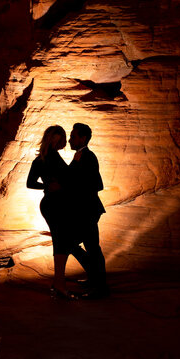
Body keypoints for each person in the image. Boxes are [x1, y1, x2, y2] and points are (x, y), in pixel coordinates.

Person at [26, 125, 77, 299]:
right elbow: (30, 183)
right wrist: (47, 185)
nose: (63, 141)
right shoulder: (42, 160)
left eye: (63, 138)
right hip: (53, 203)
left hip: (59, 203)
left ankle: (58, 283)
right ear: (53, 139)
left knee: (62, 241)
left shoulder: (54, 157)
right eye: (60, 137)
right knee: (61, 241)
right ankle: (60, 285)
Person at [65, 122, 109, 299]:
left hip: (87, 211)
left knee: (87, 247)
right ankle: (95, 281)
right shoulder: (81, 155)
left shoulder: (87, 157)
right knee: (88, 247)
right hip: (85, 210)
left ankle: (100, 287)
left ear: (83, 138)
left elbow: (96, 185)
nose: (70, 139)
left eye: (73, 136)